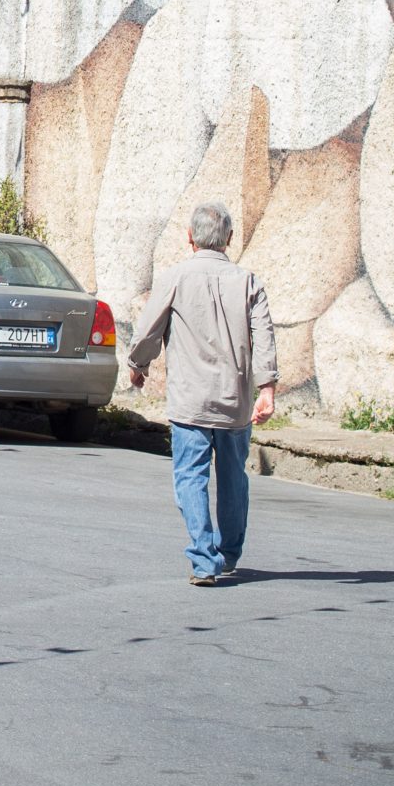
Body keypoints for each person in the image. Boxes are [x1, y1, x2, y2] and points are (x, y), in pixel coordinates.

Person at [128, 201, 278, 585]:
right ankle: (228, 554)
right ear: (229, 239)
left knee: (190, 477)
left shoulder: (174, 277)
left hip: (190, 401)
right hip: (235, 402)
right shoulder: (248, 282)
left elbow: (147, 331)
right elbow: (265, 338)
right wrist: (267, 390)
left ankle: (203, 559)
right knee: (233, 477)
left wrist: (138, 366)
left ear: (189, 237)